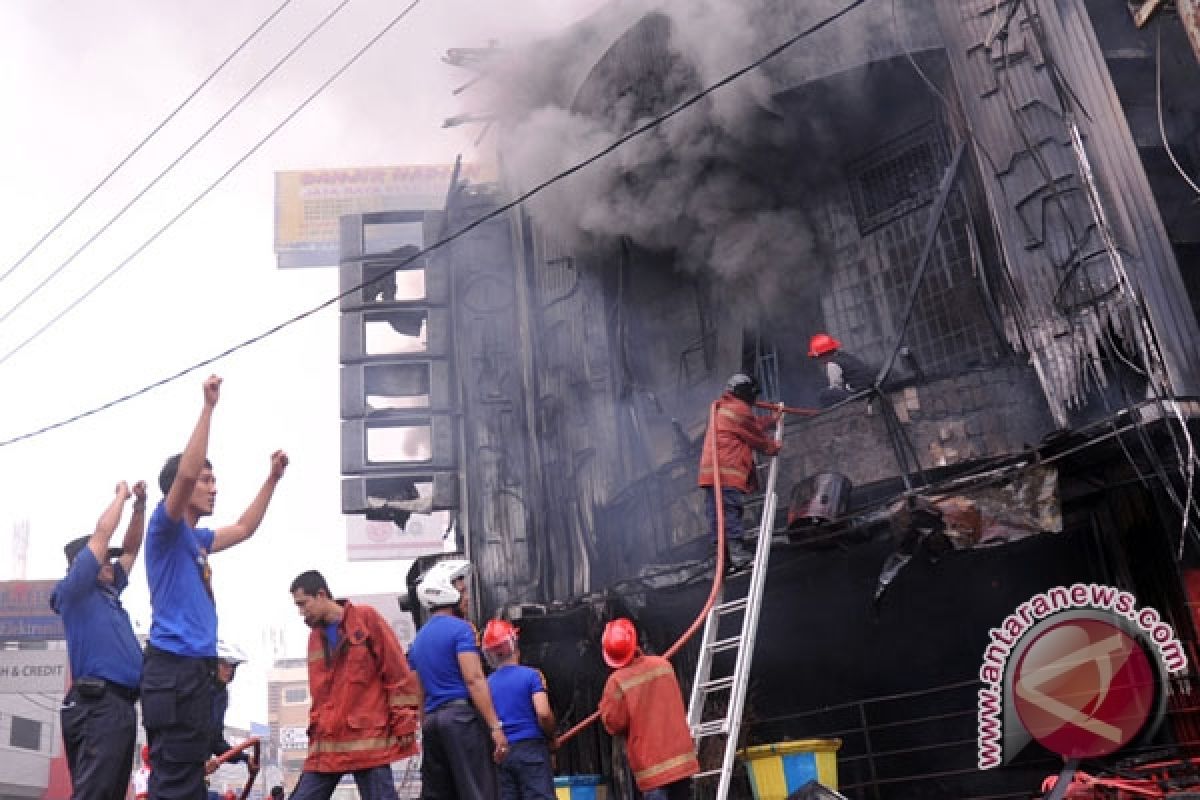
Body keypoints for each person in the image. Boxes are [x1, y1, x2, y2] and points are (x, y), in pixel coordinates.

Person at [142, 375, 289, 800]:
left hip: (193, 672)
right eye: (206, 480)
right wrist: (208, 409)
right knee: (173, 782)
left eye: (213, 480)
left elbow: (244, 528)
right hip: (173, 669)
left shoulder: (197, 540)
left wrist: (272, 479)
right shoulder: (164, 530)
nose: (213, 487)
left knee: (188, 780)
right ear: (181, 489)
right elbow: (185, 473)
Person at [51, 480, 147, 800]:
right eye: (104, 559)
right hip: (97, 706)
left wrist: (139, 507)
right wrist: (121, 495)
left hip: (120, 707)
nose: (110, 564)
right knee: (95, 793)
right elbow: (102, 534)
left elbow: (131, 549)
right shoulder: (76, 591)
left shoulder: (109, 592)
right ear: (84, 563)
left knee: (110, 793)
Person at [288, 570, 420, 800]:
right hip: (328, 744)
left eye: (303, 603)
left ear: (321, 595)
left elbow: (396, 672)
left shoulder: (366, 619)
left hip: (368, 740)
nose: (301, 612)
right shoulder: (314, 639)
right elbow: (320, 694)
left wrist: (405, 719)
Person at [407, 559, 507, 800]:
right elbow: (474, 679)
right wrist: (495, 727)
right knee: (478, 791)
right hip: (460, 721)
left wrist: (424, 728)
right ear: (447, 592)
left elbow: (418, 693)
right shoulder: (461, 629)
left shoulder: (418, 640)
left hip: (432, 724)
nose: (467, 598)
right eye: (462, 591)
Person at [598, 619, 699, 800]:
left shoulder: (616, 682)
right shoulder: (663, 665)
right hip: (681, 760)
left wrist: (604, 707)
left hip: (653, 769)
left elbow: (614, 724)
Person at [696, 373, 782, 570]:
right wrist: (773, 447)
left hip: (711, 474)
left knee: (716, 514)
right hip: (727, 472)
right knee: (730, 511)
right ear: (744, 393)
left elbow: (747, 426)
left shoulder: (724, 408)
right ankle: (737, 555)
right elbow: (755, 437)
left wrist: (769, 421)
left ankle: (722, 559)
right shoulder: (739, 409)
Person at [481, 619, 557, 800]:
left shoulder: (485, 686)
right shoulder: (531, 676)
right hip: (531, 752)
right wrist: (551, 737)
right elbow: (543, 713)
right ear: (514, 644)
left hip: (502, 755)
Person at [206, 640, 256, 775]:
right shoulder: (198, 691)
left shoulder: (221, 696)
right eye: (224, 665)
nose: (230, 670)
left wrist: (245, 758)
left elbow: (215, 741)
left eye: (233, 666)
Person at [808, 333, 876, 407]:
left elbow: (836, 387)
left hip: (859, 393)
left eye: (817, 358)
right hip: (867, 388)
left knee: (824, 395)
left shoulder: (832, 364)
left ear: (823, 355)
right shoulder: (844, 355)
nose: (819, 361)